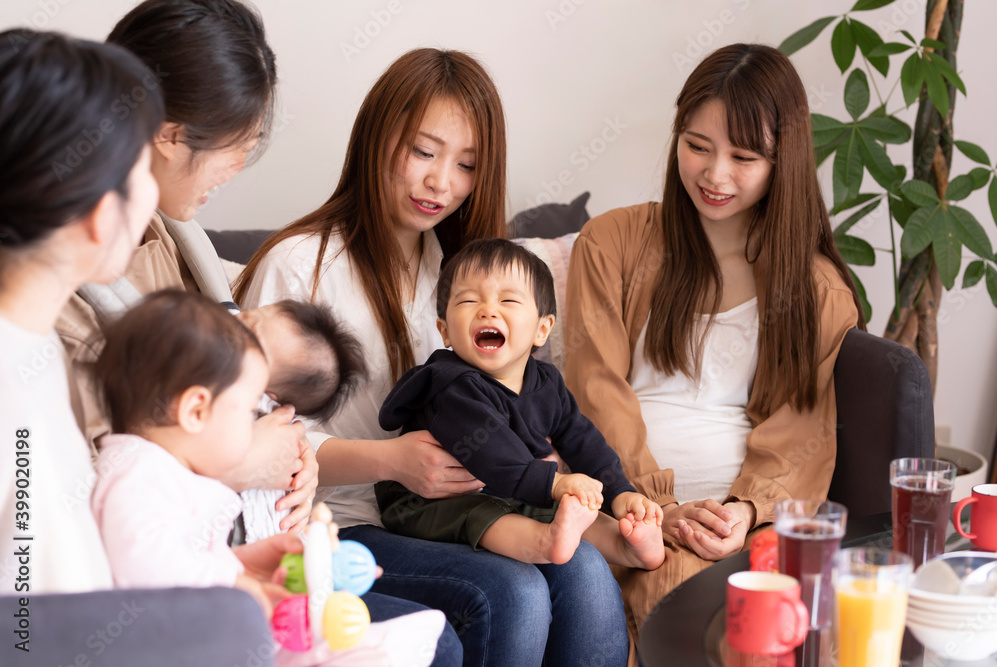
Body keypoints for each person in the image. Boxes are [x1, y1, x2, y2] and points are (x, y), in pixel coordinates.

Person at [234, 48, 630, 666]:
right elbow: (245, 436)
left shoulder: (459, 277)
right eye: (423, 151)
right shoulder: (300, 264)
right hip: (339, 527)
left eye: (466, 164)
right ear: (376, 137)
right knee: (515, 594)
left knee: (582, 569)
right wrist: (391, 459)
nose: (440, 183)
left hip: (456, 513)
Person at [564, 43, 866, 660]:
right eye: (697, 145)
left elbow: (801, 433)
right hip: (623, 504)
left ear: (785, 161)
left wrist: (743, 512)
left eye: (744, 156)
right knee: (686, 606)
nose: (715, 174)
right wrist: (654, 506)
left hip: (735, 525)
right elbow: (594, 392)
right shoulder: (613, 243)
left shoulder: (817, 291)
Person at [54, 0, 318, 535]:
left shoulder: (179, 242)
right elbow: (79, 497)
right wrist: (242, 466)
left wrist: (294, 458)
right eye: (239, 144)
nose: (241, 165)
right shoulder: (57, 281)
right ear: (169, 135)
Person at [91, 290, 447, 667]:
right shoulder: (139, 477)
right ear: (196, 410)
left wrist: (243, 569)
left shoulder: (166, 472)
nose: (259, 433)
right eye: (247, 413)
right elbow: (153, 575)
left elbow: (185, 556)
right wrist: (238, 587)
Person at [375, 239, 665, 570]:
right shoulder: (452, 386)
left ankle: (626, 544)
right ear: (445, 332)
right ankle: (544, 543)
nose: (487, 309)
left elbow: (583, 439)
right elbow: (494, 454)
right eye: (469, 300)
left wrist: (619, 493)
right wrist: (555, 483)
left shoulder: (547, 382)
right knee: (489, 513)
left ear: (542, 329)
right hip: (428, 502)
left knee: (571, 507)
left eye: (508, 299)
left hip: (509, 489)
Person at [0, 28, 163, 594]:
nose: (153, 195)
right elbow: (28, 626)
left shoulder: (33, 343)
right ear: (99, 211)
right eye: (144, 171)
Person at [239, 299, 368, 544]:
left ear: (268, 396)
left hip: (257, 539)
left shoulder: (240, 403)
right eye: (248, 315)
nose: (233, 324)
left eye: (249, 336)